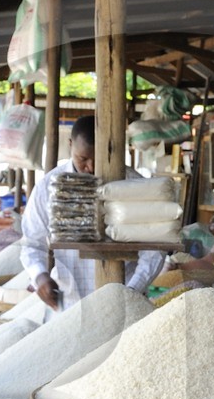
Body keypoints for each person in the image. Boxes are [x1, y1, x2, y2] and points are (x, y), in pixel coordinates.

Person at [20, 115, 166, 308]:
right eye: (82, 159)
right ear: (70, 144)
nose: (90, 167)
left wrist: (132, 290)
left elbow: (155, 247)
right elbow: (32, 242)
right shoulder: (49, 186)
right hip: (69, 300)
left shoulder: (135, 186)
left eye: (97, 159)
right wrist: (40, 276)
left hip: (124, 302)